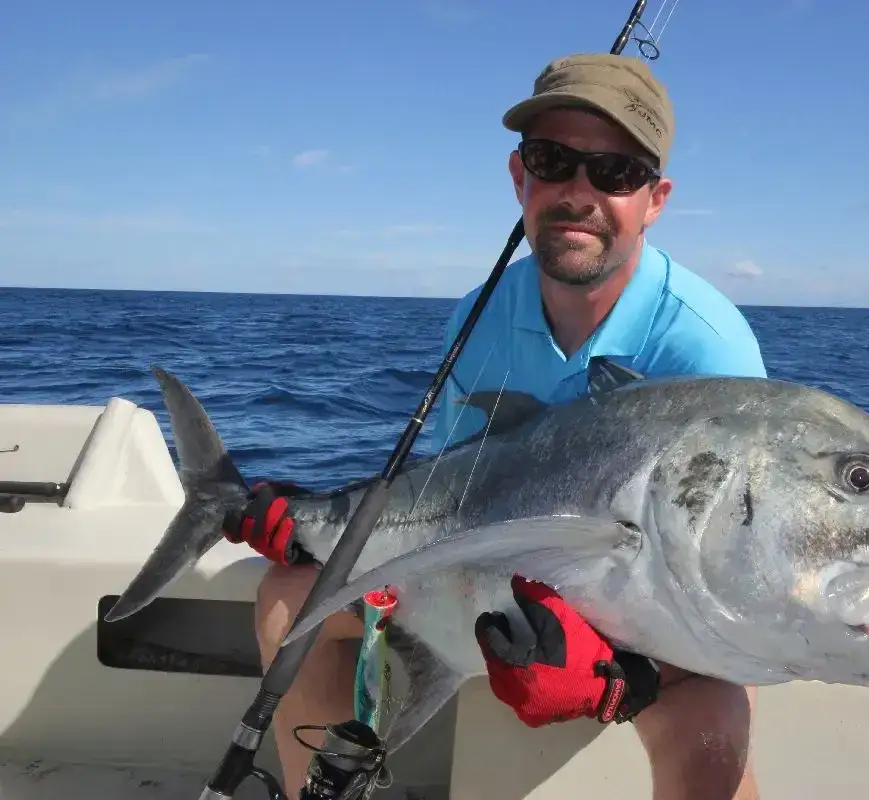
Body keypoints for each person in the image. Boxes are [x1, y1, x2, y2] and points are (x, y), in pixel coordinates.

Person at [246, 52, 767, 800]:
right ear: (520, 176)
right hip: (489, 583)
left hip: (647, 615)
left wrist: (625, 673)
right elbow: (447, 494)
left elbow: (728, 580)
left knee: (712, 720)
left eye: (615, 172)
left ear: (655, 199)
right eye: (554, 161)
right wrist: (314, 522)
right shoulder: (480, 314)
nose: (579, 193)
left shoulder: (706, 348)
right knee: (287, 600)